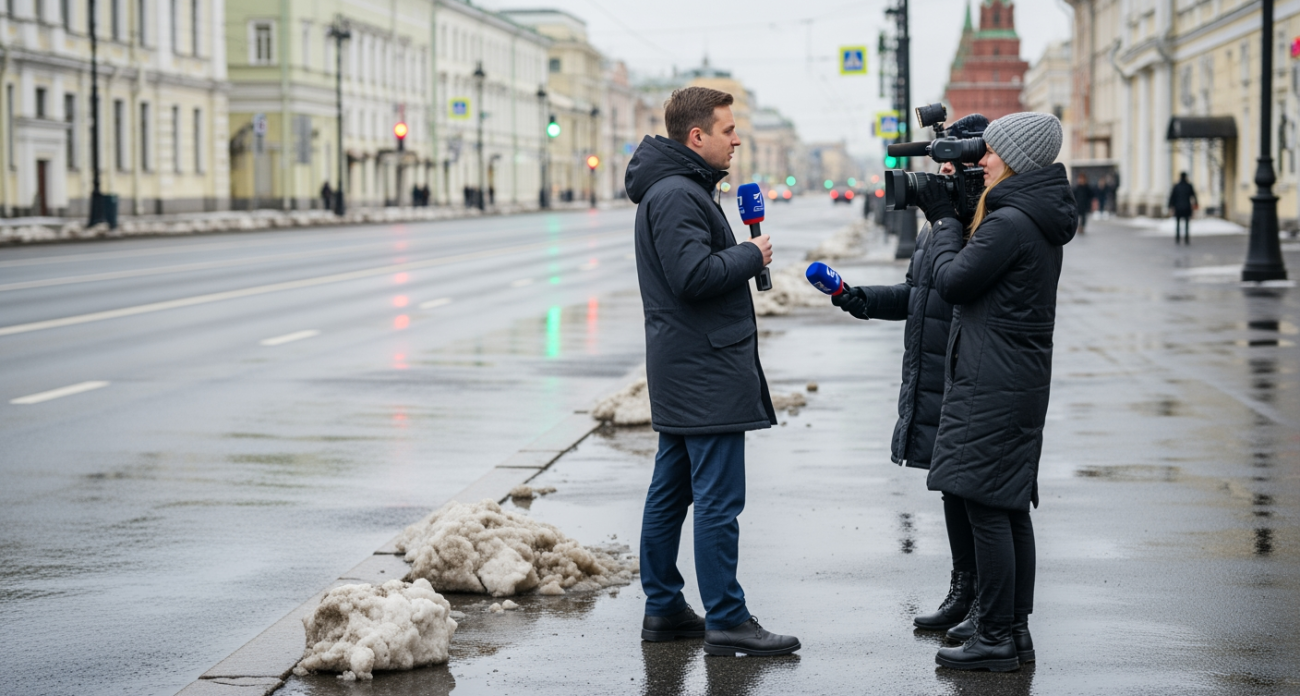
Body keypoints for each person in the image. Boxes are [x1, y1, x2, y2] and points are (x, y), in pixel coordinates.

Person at [624, 86, 799, 658]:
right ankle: (726, 617)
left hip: (688, 365)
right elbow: (692, 276)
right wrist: (753, 255)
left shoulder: (680, 188)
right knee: (719, 501)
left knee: (670, 494)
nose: (737, 139)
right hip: (704, 370)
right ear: (696, 137)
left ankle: (664, 607)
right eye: (727, 130)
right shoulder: (677, 194)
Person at [912, 111, 1076, 672]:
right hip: (1010, 377)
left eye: (992, 152)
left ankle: (997, 635)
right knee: (1005, 508)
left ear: (1016, 159)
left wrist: (942, 222)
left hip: (995, 381)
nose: (982, 160)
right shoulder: (1030, 215)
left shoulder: (1010, 223)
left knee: (987, 505)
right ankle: (1012, 632)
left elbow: (954, 281)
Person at [831, 113, 990, 640]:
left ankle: (984, 604)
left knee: (976, 496)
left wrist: (950, 221)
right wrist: (861, 300)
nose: (942, 172)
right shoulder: (939, 227)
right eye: (939, 161)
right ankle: (962, 590)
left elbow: (962, 285)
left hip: (968, 374)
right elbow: (919, 294)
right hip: (937, 374)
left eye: (952, 161)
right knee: (951, 488)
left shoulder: (983, 222)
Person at [1169, 172, 1198, 245]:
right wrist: (1196, 204)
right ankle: (1186, 238)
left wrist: (1170, 206)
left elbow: (1172, 197)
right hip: (1186, 207)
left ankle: (1178, 238)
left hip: (1178, 207)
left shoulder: (1176, 186)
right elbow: (1194, 195)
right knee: (1186, 224)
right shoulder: (1188, 186)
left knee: (1178, 224)